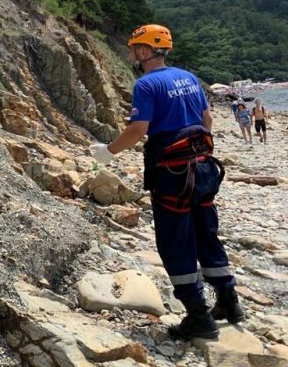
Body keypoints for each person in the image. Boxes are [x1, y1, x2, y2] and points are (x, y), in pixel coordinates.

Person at [89, 24, 243, 340]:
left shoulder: (146, 85)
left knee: (175, 241)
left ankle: (199, 317)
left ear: (144, 51)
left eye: (134, 48)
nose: (131, 53)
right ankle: (229, 302)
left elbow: (139, 128)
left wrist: (109, 151)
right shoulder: (188, 77)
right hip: (202, 169)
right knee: (206, 232)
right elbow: (207, 120)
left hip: (171, 174)